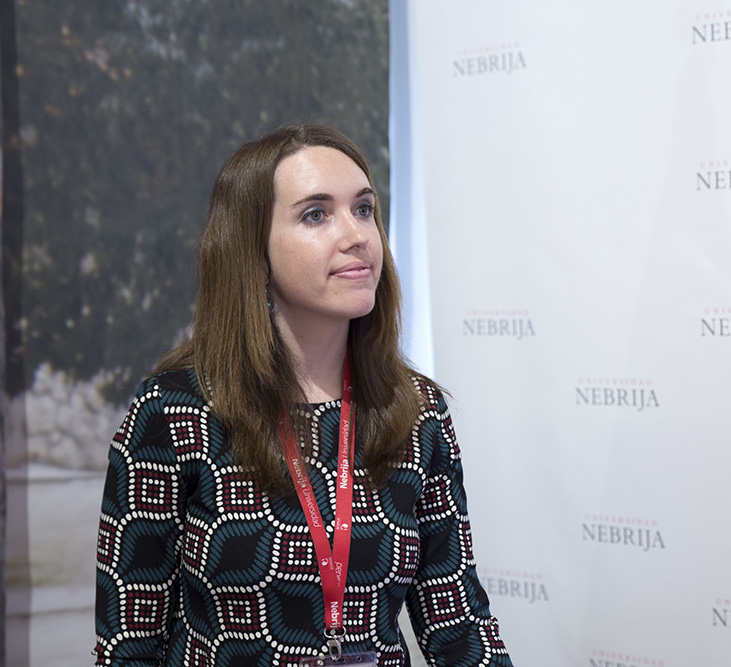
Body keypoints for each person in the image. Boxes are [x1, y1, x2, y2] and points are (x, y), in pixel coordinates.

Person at [94, 124, 512, 667]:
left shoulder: (415, 411)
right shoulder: (177, 411)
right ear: (253, 252)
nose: (356, 235)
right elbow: (128, 647)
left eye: (364, 209)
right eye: (316, 215)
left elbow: (460, 629)